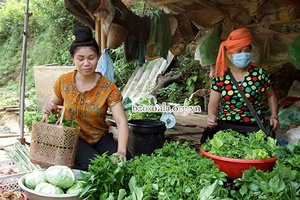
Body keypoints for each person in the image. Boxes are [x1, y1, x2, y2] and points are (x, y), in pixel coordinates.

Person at [44, 25, 129, 170]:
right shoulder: (64, 82)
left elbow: (121, 122)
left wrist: (121, 151)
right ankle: (73, 163)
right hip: (72, 139)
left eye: (91, 58)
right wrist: (50, 107)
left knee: (127, 163)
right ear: (73, 59)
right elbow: (54, 105)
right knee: (96, 167)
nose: (86, 63)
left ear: (98, 57)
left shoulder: (107, 87)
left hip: (100, 138)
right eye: (80, 58)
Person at [201, 27, 280, 144]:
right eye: (239, 51)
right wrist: (212, 117)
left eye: (247, 50)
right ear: (229, 55)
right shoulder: (220, 77)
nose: (244, 54)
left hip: (252, 125)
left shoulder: (259, 75)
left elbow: (271, 95)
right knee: (206, 140)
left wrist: (274, 116)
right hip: (225, 123)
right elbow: (213, 104)